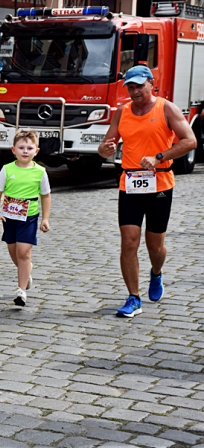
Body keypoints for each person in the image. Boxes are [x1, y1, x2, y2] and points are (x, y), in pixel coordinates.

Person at [98, 66, 196, 318]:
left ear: (151, 83)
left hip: (160, 184)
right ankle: (133, 297)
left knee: (156, 247)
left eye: (139, 85)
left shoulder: (167, 108)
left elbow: (190, 140)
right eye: (130, 87)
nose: (134, 91)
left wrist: (159, 156)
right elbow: (105, 146)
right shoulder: (122, 112)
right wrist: (105, 149)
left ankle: (156, 273)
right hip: (130, 182)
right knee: (129, 241)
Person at [0, 129, 51, 307]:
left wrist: (45, 218)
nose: (25, 151)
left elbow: (46, 196)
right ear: (13, 150)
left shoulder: (40, 172)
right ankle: (26, 273)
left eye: (29, 148)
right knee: (14, 251)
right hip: (9, 218)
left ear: (36, 151)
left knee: (24, 252)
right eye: (21, 147)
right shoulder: (7, 170)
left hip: (29, 217)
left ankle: (21, 291)